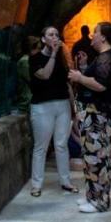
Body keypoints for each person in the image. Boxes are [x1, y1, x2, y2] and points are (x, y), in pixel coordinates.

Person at [68, 22, 111, 213]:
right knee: (94, 157)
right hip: (94, 114)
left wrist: (79, 77)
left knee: (97, 159)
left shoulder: (107, 58)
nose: (92, 36)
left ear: (104, 37)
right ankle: (93, 196)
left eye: (95, 33)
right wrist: (83, 68)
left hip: (99, 115)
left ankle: (99, 201)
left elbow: (101, 85)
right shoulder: (104, 57)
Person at [28, 26, 79, 197]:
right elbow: (45, 75)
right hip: (42, 106)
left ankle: (66, 181)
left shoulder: (61, 59)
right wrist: (54, 54)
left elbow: (67, 84)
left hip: (62, 104)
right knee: (41, 146)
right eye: (51, 34)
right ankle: (36, 184)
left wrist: (74, 108)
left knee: (61, 144)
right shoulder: (35, 58)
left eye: (57, 34)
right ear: (43, 39)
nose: (55, 37)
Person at [15, 36, 40, 115]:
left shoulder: (30, 61)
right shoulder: (25, 62)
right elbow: (34, 80)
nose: (40, 51)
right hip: (27, 105)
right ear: (31, 49)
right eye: (38, 49)